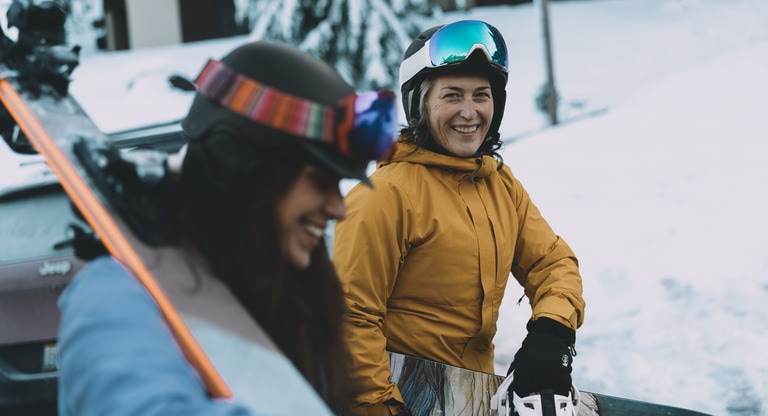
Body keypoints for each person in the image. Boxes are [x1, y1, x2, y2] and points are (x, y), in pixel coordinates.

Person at [57, 41, 398, 415]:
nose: (338, 209)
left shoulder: (283, 286)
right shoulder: (114, 296)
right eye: (319, 181)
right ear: (237, 167)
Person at [332, 20, 586, 415]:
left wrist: (551, 333)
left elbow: (552, 263)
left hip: (472, 393)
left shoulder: (500, 186)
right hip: (399, 393)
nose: (470, 112)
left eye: (481, 95)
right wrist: (377, 405)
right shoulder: (386, 196)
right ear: (420, 104)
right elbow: (350, 316)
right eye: (452, 95)